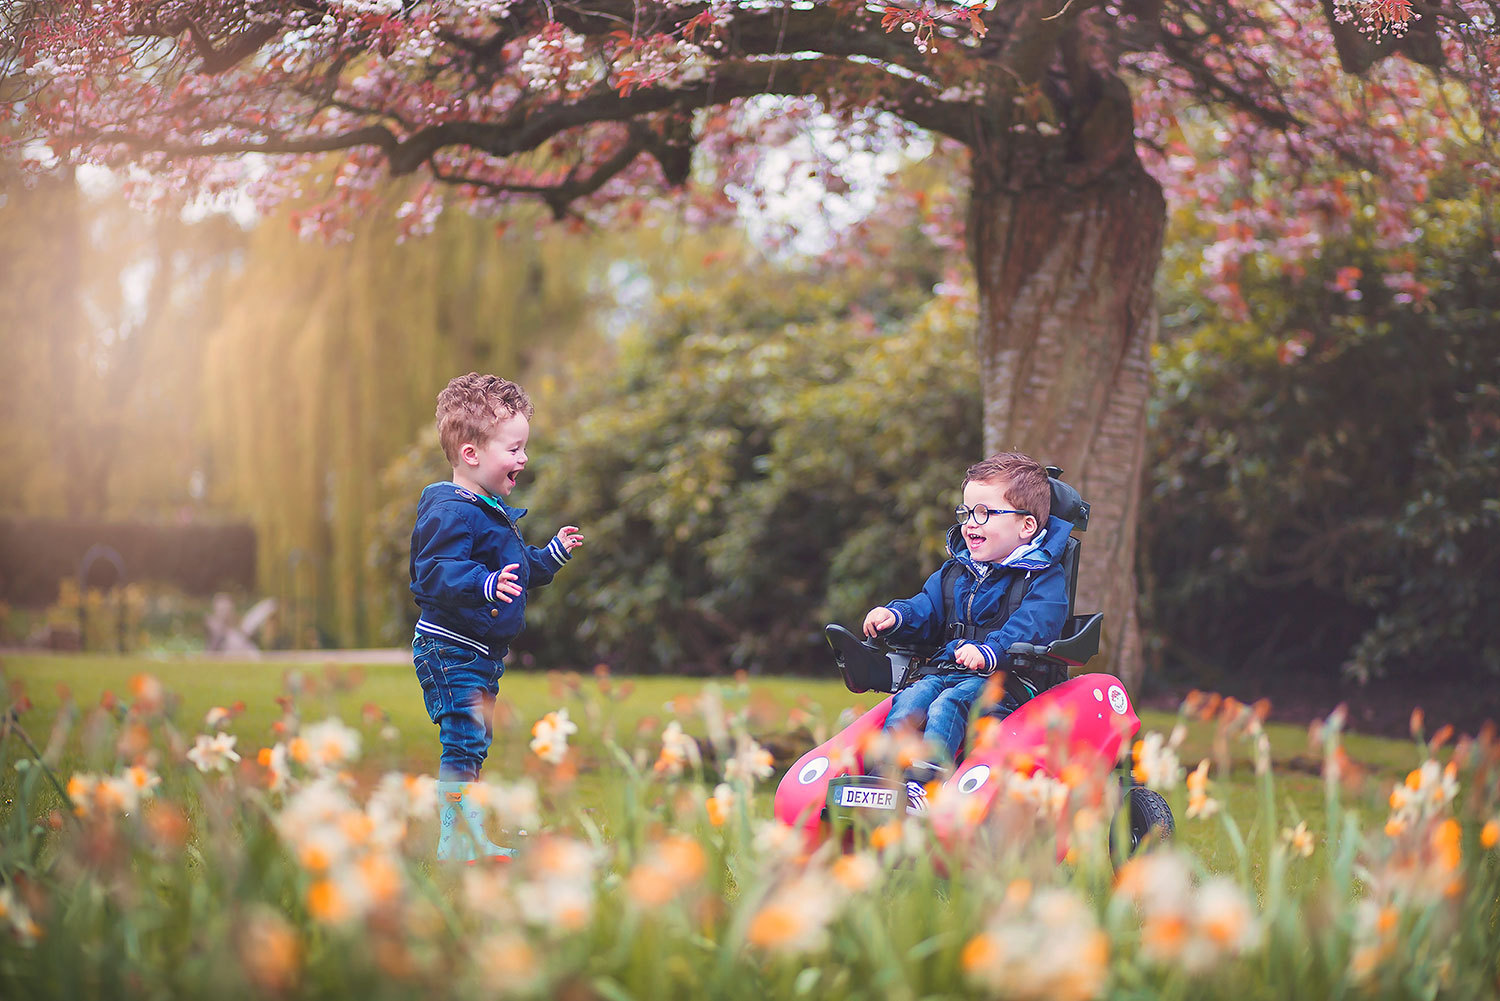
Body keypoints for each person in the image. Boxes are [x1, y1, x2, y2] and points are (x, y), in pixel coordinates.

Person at [409, 373, 583, 860]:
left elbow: (518, 568)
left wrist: (551, 554)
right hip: (449, 649)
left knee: (474, 741)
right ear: (471, 454)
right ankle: (457, 841)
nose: (523, 459)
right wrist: (483, 585)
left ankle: (465, 834)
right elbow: (436, 573)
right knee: (464, 737)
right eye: (514, 449)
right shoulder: (448, 511)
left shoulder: (489, 509)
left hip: (479, 653)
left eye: (523, 448)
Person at [863, 452, 1071, 813]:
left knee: (949, 703)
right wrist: (896, 615)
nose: (970, 524)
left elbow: (1036, 624)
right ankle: (884, 780)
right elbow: (927, 608)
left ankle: (927, 788)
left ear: (1027, 526)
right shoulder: (957, 573)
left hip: (1010, 680)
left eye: (985, 513)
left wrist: (992, 650)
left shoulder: (1042, 578)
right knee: (913, 698)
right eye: (966, 512)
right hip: (951, 671)